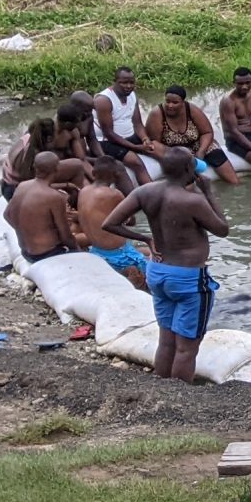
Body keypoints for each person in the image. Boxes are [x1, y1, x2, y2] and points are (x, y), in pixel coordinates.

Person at [95, 148, 232, 382]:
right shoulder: (192, 200)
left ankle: (160, 390)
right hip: (188, 278)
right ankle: (179, 398)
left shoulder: (145, 192)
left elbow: (110, 223)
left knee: (166, 340)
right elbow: (222, 229)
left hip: (157, 272)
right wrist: (209, 193)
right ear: (189, 169)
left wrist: (146, 238)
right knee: (187, 348)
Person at [72, 157, 150, 288]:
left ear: (93, 173)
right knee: (157, 267)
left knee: (147, 252)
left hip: (97, 251)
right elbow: (132, 221)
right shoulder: (114, 194)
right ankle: (133, 277)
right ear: (116, 176)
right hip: (119, 255)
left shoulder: (83, 191)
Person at [148, 85, 240, 185]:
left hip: (196, 144)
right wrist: (180, 155)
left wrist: (201, 151)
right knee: (183, 167)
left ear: (183, 102)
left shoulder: (191, 109)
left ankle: (236, 184)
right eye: (167, 101)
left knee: (215, 153)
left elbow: (207, 132)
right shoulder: (157, 113)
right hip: (173, 150)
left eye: (175, 103)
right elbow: (154, 142)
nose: (170, 105)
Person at [3, 151, 82, 264]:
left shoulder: (22, 186)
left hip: (26, 252)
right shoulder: (54, 197)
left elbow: (6, 215)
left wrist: (26, 231)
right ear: (57, 169)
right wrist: (78, 251)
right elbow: (66, 236)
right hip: (46, 254)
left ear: (35, 167)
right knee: (82, 241)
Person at [95, 68, 154, 188]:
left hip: (129, 137)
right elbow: (109, 133)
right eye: (124, 82)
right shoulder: (104, 100)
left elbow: (137, 123)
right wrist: (135, 147)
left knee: (157, 148)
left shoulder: (132, 95)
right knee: (137, 163)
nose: (128, 86)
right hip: (108, 142)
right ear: (115, 81)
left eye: (131, 82)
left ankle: (190, 174)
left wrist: (145, 139)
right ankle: (152, 196)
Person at [0, 116, 55, 201]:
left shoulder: (28, 137)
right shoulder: (33, 154)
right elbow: (31, 181)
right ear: (49, 138)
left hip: (6, 185)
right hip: (13, 191)